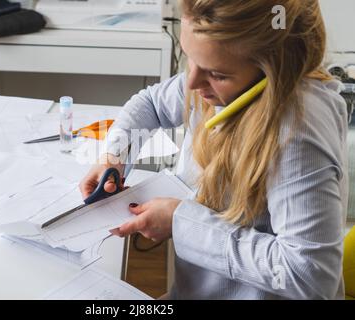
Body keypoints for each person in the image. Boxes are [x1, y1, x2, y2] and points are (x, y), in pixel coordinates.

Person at [80, 0, 348, 299]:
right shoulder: (220, 72)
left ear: (272, 68)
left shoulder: (298, 136)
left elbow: (310, 277)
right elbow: (151, 103)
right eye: (189, 58)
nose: (192, 82)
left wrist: (181, 222)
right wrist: (114, 156)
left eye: (217, 75)